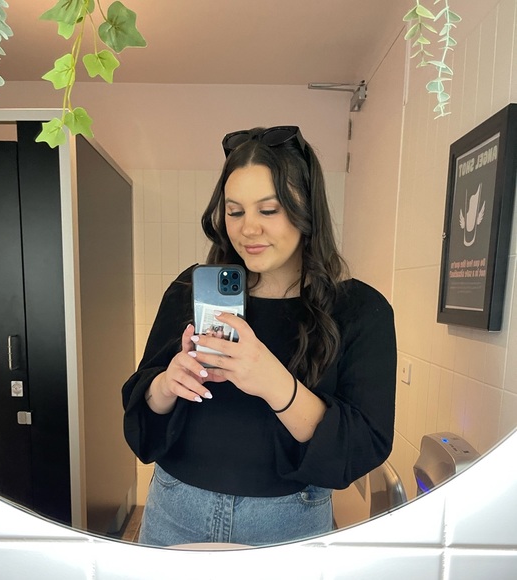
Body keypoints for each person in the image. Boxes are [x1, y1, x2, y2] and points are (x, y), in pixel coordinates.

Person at [122, 125, 397, 547]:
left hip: (289, 525)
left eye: (268, 210)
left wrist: (274, 383)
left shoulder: (359, 309)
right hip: (176, 509)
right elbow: (142, 407)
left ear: (307, 210)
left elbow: (362, 444)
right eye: (235, 212)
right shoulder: (190, 291)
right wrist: (166, 385)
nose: (248, 229)